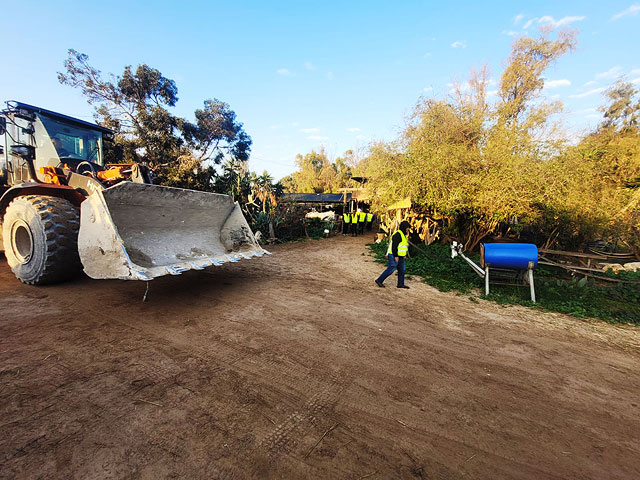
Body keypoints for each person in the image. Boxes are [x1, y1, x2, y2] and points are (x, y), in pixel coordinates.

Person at [375, 220, 411, 289]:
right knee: (391, 269)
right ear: (404, 227)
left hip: (401, 256)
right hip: (394, 255)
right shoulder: (398, 235)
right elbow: (394, 246)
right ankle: (379, 280)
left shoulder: (403, 235)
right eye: (407, 228)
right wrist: (396, 256)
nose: (408, 229)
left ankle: (400, 284)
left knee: (402, 270)